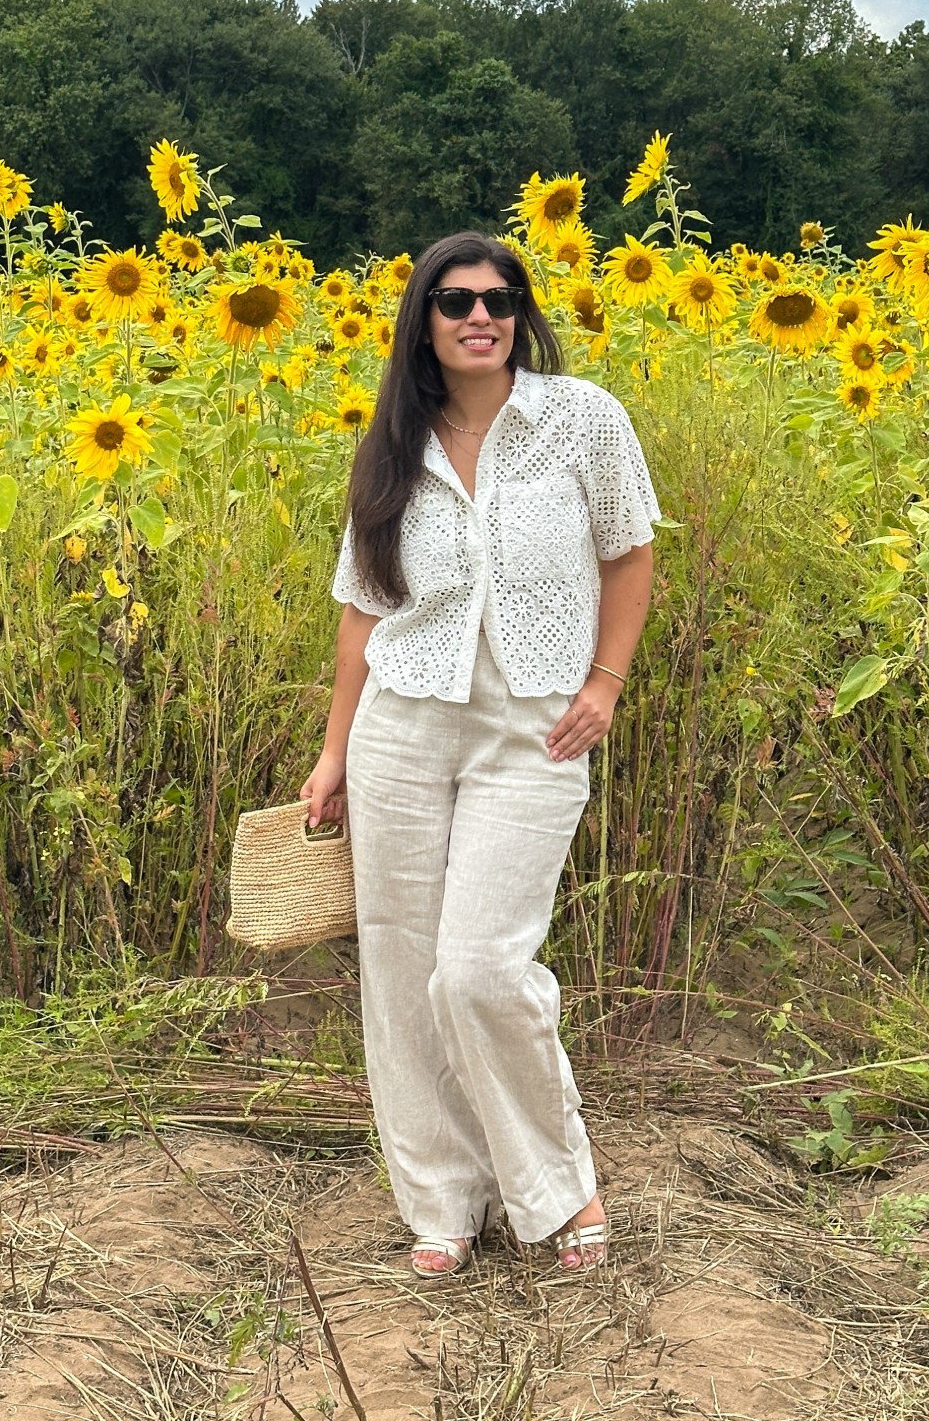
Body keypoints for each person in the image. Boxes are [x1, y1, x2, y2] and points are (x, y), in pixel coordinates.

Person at [301, 229, 660, 1279]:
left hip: (536, 725)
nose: (480, 315)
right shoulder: (391, 446)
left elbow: (631, 548)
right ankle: (444, 1199)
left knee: (481, 968)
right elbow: (365, 609)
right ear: (424, 317)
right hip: (402, 727)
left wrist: (605, 681)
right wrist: (331, 755)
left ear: (521, 312)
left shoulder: (580, 418)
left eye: (501, 298)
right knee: (403, 966)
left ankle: (557, 1185)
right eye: (456, 299)